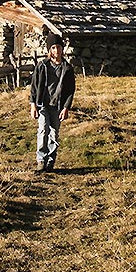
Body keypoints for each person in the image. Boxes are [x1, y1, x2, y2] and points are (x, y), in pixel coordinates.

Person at [29, 32, 76, 173]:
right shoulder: (42, 66)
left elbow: (70, 90)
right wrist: (33, 105)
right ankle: (41, 160)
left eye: (59, 47)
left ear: (62, 49)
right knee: (43, 129)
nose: (56, 51)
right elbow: (34, 86)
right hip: (43, 104)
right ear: (50, 50)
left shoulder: (67, 69)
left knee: (54, 133)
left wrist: (66, 107)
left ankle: (51, 160)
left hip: (58, 106)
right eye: (53, 48)